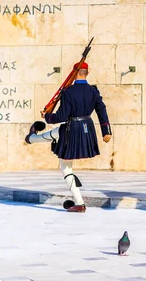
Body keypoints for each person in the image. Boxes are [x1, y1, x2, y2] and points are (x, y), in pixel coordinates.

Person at [24, 61, 112, 212]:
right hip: (87, 130)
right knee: (56, 136)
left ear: (74, 73)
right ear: (87, 73)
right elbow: (101, 110)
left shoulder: (68, 92)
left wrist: (47, 116)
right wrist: (106, 131)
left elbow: (61, 116)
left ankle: (79, 203)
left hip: (71, 130)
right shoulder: (93, 91)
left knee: (65, 166)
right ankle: (31, 138)